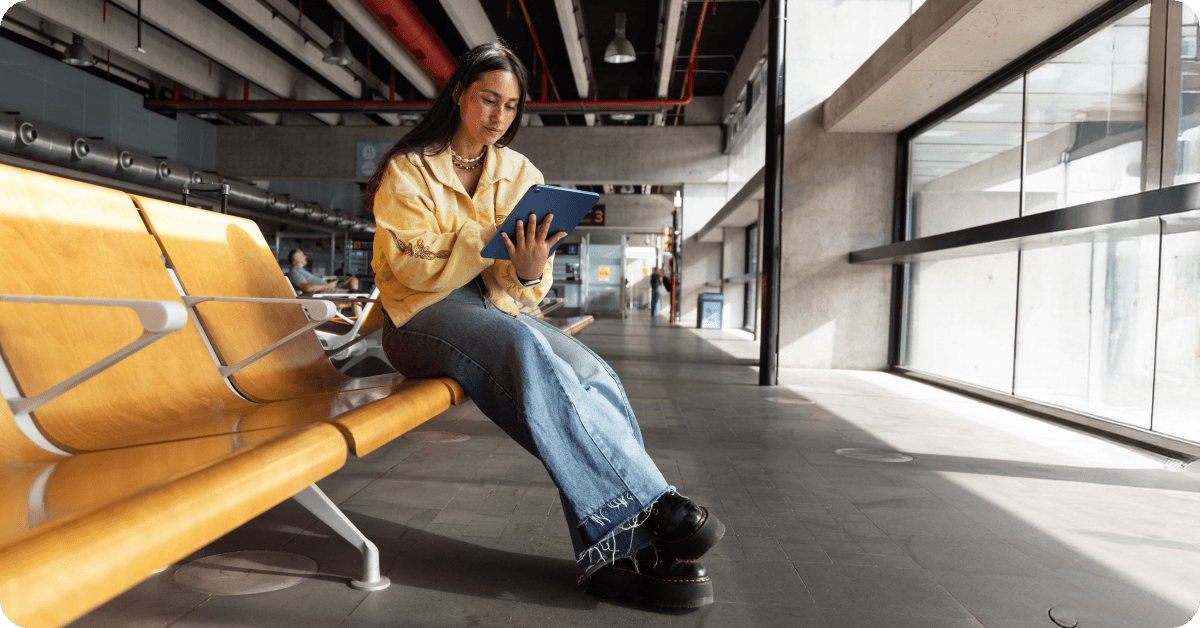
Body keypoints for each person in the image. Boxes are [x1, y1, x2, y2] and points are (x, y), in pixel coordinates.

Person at [364, 42, 723, 609]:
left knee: (591, 371)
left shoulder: (519, 171)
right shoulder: (409, 170)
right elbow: (411, 267)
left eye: (509, 107)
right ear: (458, 94)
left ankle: (613, 557)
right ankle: (654, 506)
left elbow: (532, 277)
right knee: (523, 346)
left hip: (496, 310)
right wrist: (488, 241)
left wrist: (530, 273)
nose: (497, 117)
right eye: (487, 100)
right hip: (417, 319)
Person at [286, 248, 362, 316]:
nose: (305, 256)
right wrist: (328, 285)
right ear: (296, 258)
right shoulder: (294, 272)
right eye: (302, 255)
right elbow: (307, 288)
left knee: (353, 279)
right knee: (356, 297)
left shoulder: (301, 271)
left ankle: (352, 294)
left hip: (328, 288)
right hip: (322, 293)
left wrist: (329, 285)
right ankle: (359, 325)